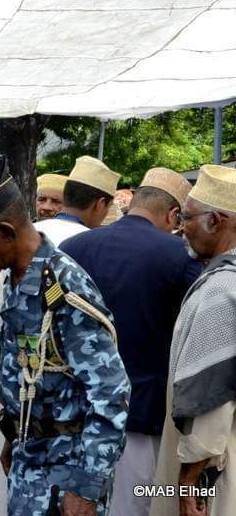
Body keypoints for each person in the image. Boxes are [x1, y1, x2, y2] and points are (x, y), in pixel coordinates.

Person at [0, 159, 130, 516]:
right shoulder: (17, 277)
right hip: (31, 456)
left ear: (7, 231)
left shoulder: (64, 287)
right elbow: (28, 368)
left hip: (66, 473)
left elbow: (111, 393)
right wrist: (15, 434)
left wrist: (85, 488)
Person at [61, 168, 203, 516]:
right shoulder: (179, 257)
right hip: (140, 419)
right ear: (173, 215)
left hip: (73, 415)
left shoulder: (73, 247)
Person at [150, 165, 236, 516]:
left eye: (186, 218)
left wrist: (189, 483)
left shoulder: (221, 290)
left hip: (216, 473)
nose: (179, 228)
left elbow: (208, 401)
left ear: (215, 221)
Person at [36, 156, 120, 246]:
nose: (46, 207)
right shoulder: (97, 244)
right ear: (101, 204)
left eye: (55, 201)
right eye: (41, 199)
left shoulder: (28, 233)